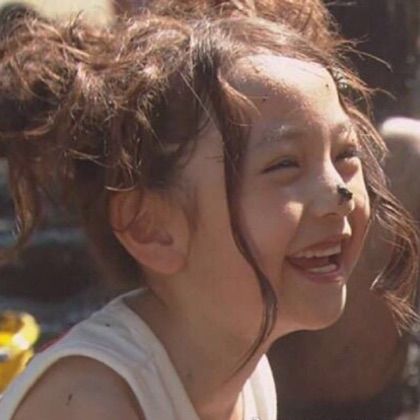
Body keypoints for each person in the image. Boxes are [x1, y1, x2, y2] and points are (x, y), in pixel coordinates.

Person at [0, 6, 417, 420]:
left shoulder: (246, 373)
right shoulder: (91, 404)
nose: (339, 195)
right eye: (284, 165)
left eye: (345, 154)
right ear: (151, 227)